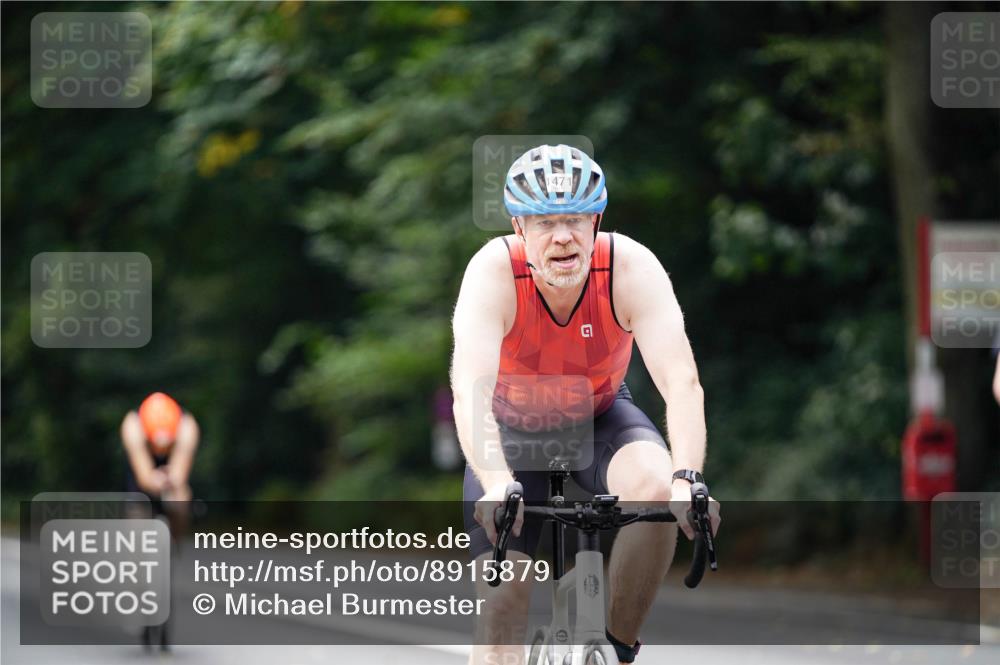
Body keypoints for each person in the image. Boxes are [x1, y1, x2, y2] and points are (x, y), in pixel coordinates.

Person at [451, 144, 721, 665]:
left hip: (601, 416)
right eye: (545, 221)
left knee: (657, 488)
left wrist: (688, 476)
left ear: (596, 221)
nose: (562, 237)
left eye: (575, 219)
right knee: (502, 607)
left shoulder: (630, 267)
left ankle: (616, 648)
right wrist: (493, 481)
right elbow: (470, 389)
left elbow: (682, 382)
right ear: (519, 228)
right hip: (510, 433)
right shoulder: (493, 272)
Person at [120, 392, 199, 651]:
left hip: (170, 480)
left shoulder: (187, 427)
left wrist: (171, 480)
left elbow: (179, 471)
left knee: (181, 499)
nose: (160, 449)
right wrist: (154, 479)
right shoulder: (133, 425)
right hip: (141, 487)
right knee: (137, 529)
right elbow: (144, 476)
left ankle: (175, 540)